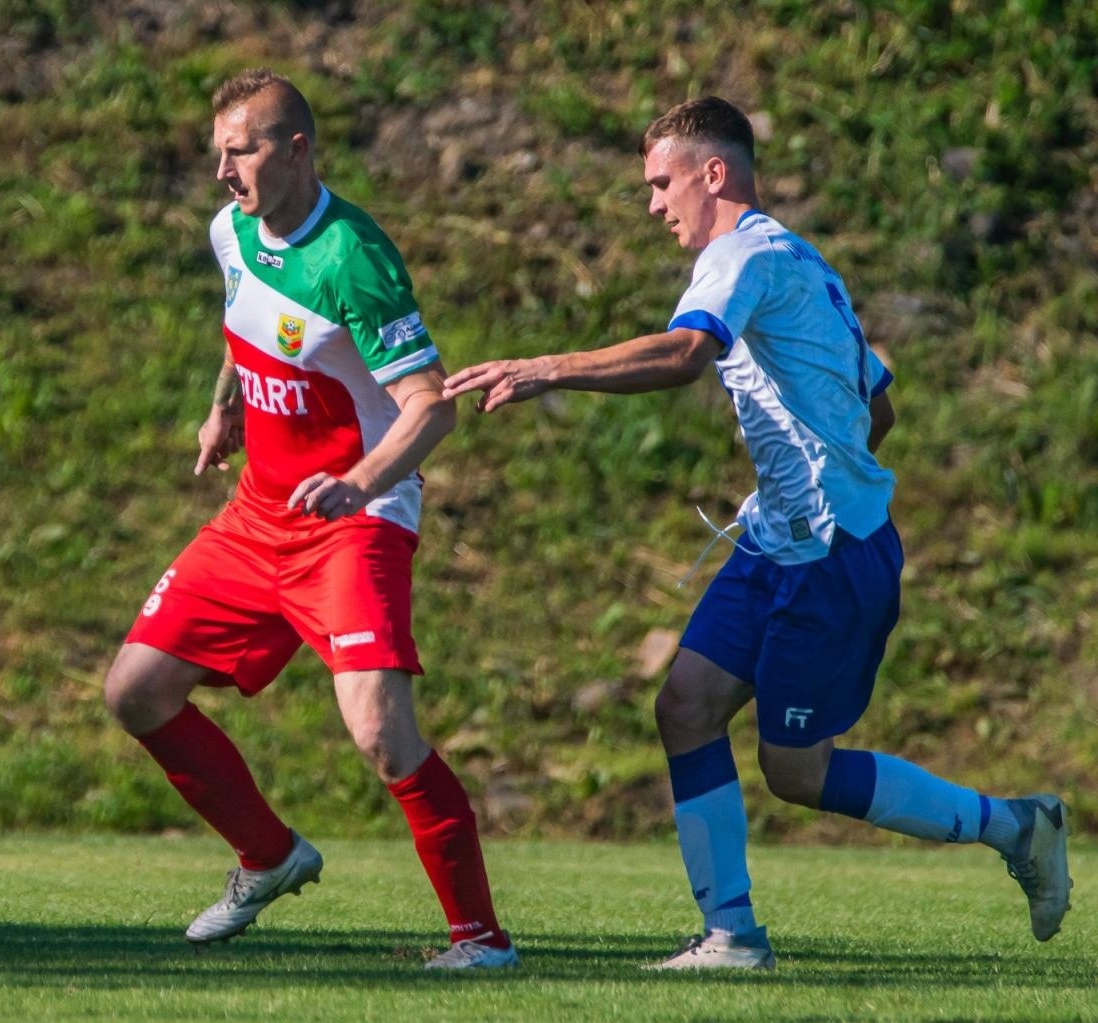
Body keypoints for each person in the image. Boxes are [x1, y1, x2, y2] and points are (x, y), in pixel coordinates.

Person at [443, 96, 1070, 969]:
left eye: (662, 182)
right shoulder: (799, 261)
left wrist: (543, 368)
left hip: (831, 558)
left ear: (715, 173)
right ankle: (731, 934)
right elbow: (876, 401)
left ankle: (1016, 825)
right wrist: (810, 477)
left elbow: (683, 355)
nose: (654, 203)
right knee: (685, 707)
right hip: (779, 541)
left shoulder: (741, 256)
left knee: (797, 772)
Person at [102, 69, 516, 969]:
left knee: (379, 728)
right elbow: (241, 324)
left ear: (296, 151)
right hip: (257, 514)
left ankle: (480, 940)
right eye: (216, 151)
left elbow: (429, 406)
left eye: (240, 150)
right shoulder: (232, 230)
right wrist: (225, 409)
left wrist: (361, 483)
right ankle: (268, 855)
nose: (222, 171)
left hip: (354, 523)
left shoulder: (354, 259)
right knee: (134, 690)